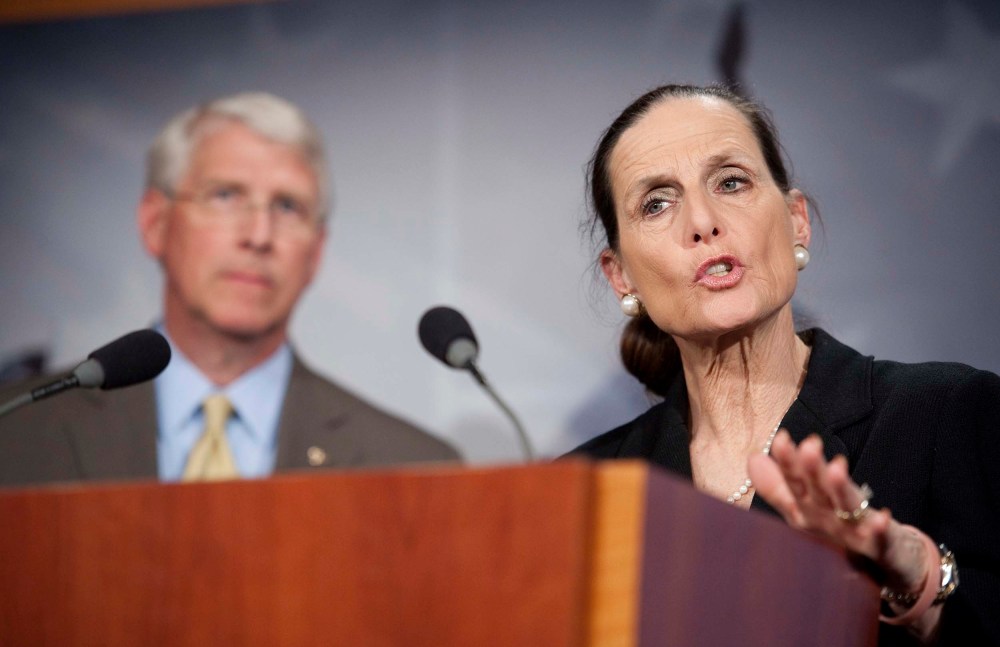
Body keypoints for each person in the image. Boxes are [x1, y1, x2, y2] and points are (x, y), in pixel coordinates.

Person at [569, 84, 998, 646]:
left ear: (797, 221)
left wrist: (920, 581)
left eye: (731, 181)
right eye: (657, 202)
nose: (702, 220)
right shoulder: (590, 490)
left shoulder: (946, 414)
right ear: (621, 276)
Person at [0, 92, 459, 486]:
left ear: (316, 253)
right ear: (155, 223)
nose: (259, 235)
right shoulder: (16, 434)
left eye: (288, 206)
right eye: (225, 196)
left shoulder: (412, 466)